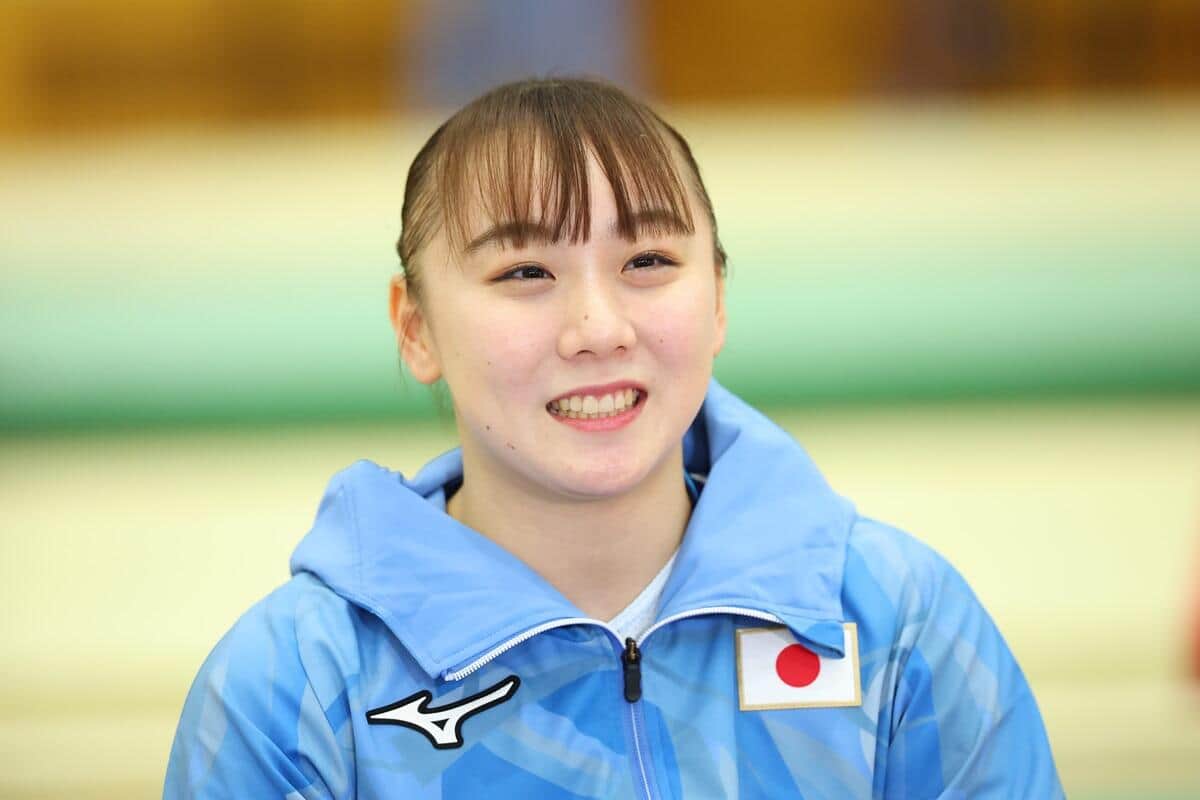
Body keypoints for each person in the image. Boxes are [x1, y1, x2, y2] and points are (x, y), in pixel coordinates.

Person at [164, 77, 1063, 798]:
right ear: (416, 329)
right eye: (525, 270)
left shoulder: (893, 622)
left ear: (717, 298)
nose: (597, 327)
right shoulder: (301, 684)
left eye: (648, 263)